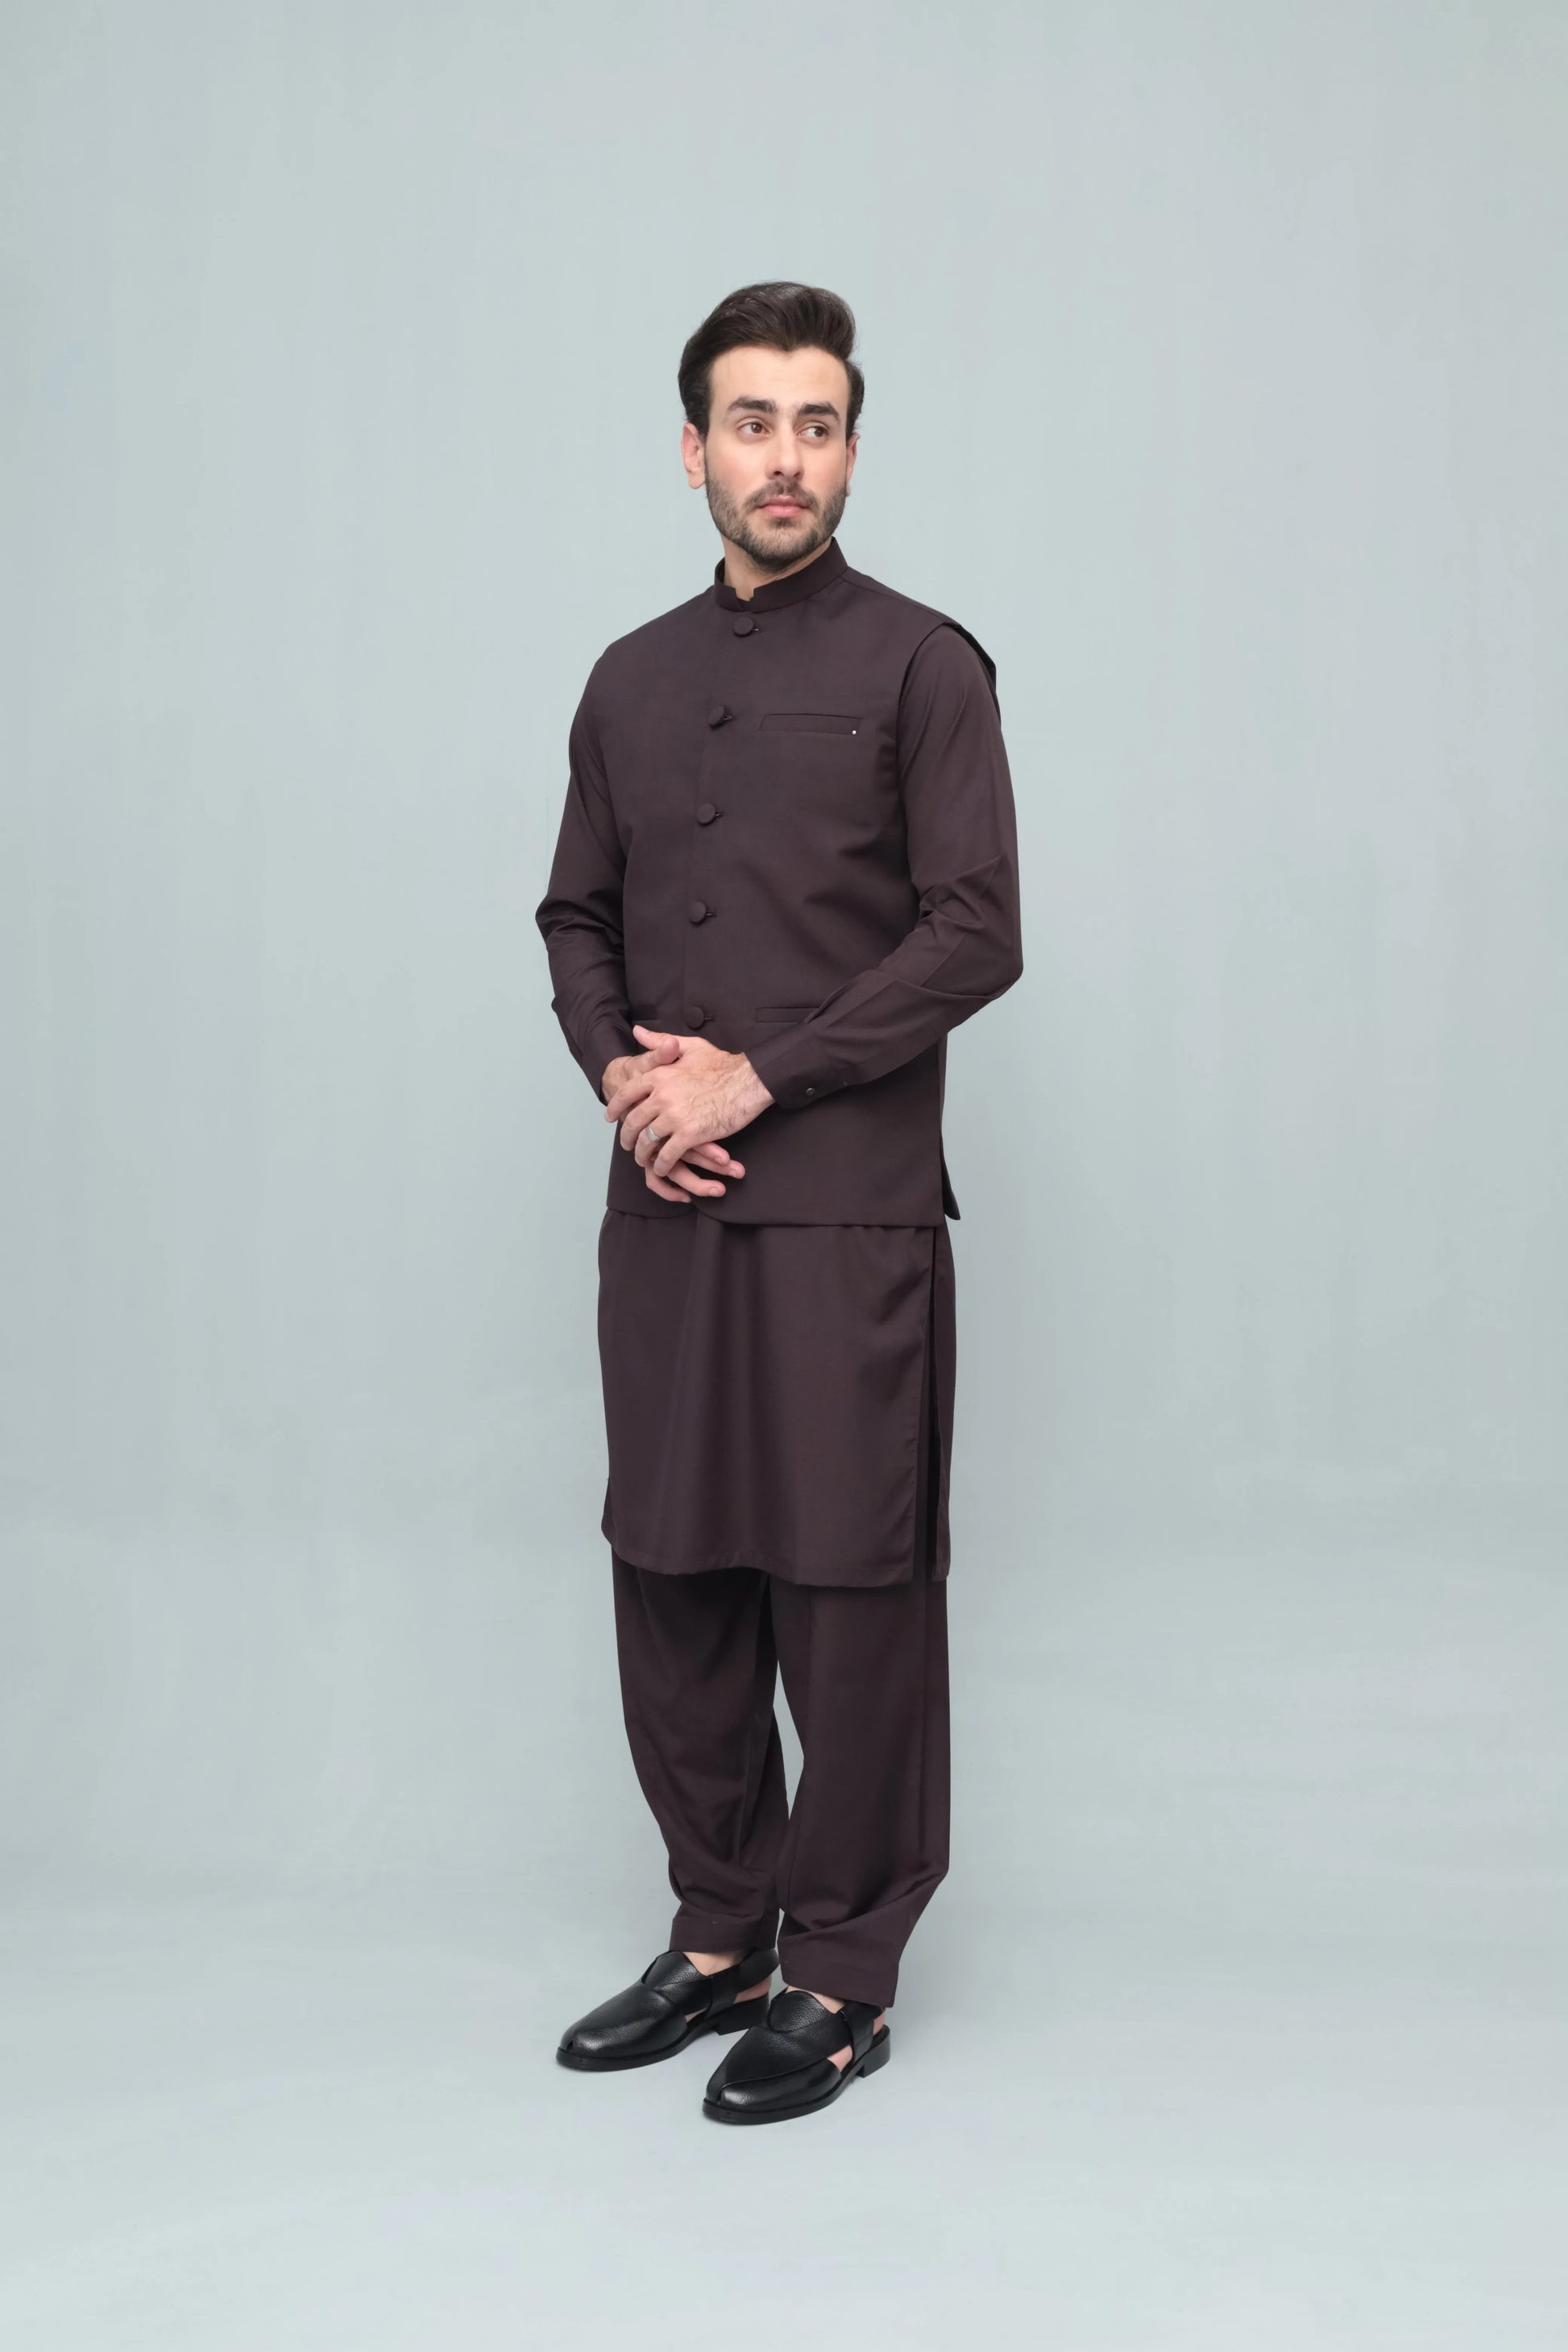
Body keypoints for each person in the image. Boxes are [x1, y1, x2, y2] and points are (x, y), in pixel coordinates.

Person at [535, 281, 1023, 2126]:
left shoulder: (924, 666)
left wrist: (754, 1074)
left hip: (848, 1215)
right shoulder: (626, 678)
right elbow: (574, 913)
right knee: (670, 1573)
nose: (786, 457)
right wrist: (625, 1081)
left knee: (849, 1589)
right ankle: (720, 1927)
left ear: (850, 452)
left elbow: (976, 930)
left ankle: (845, 1967)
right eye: (752, 422)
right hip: (665, 1206)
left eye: (817, 424)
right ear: (694, 450)